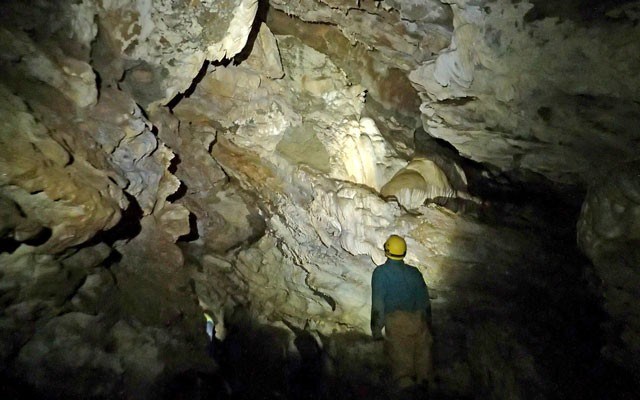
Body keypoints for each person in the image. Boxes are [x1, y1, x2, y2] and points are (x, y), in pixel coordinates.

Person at [371, 235, 434, 395]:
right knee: (423, 368)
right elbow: (424, 301)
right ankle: (424, 385)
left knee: (403, 372)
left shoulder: (381, 273)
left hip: (398, 322)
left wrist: (377, 330)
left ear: (387, 251)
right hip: (419, 321)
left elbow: (378, 304)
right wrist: (429, 324)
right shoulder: (414, 273)